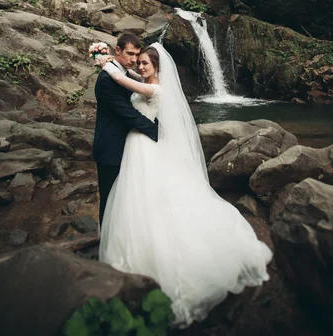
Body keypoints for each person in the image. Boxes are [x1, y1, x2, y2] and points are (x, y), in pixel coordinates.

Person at [98, 43, 272, 327]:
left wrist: (103, 60)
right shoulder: (146, 82)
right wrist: (120, 65)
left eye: (145, 63)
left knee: (152, 197)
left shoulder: (155, 89)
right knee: (139, 199)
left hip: (145, 147)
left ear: (157, 66)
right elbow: (129, 79)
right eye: (138, 62)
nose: (141, 67)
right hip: (140, 146)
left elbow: (120, 79)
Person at [93, 33, 158, 226]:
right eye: (130, 53)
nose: (134, 59)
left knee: (127, 199)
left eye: (137, 54)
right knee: (110, 199)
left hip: (130, 146)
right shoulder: (108, 78)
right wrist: (157, 133)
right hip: (111, 149)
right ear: (118, 50)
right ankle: (106, 240)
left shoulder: (125, 72)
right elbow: (127, 113)